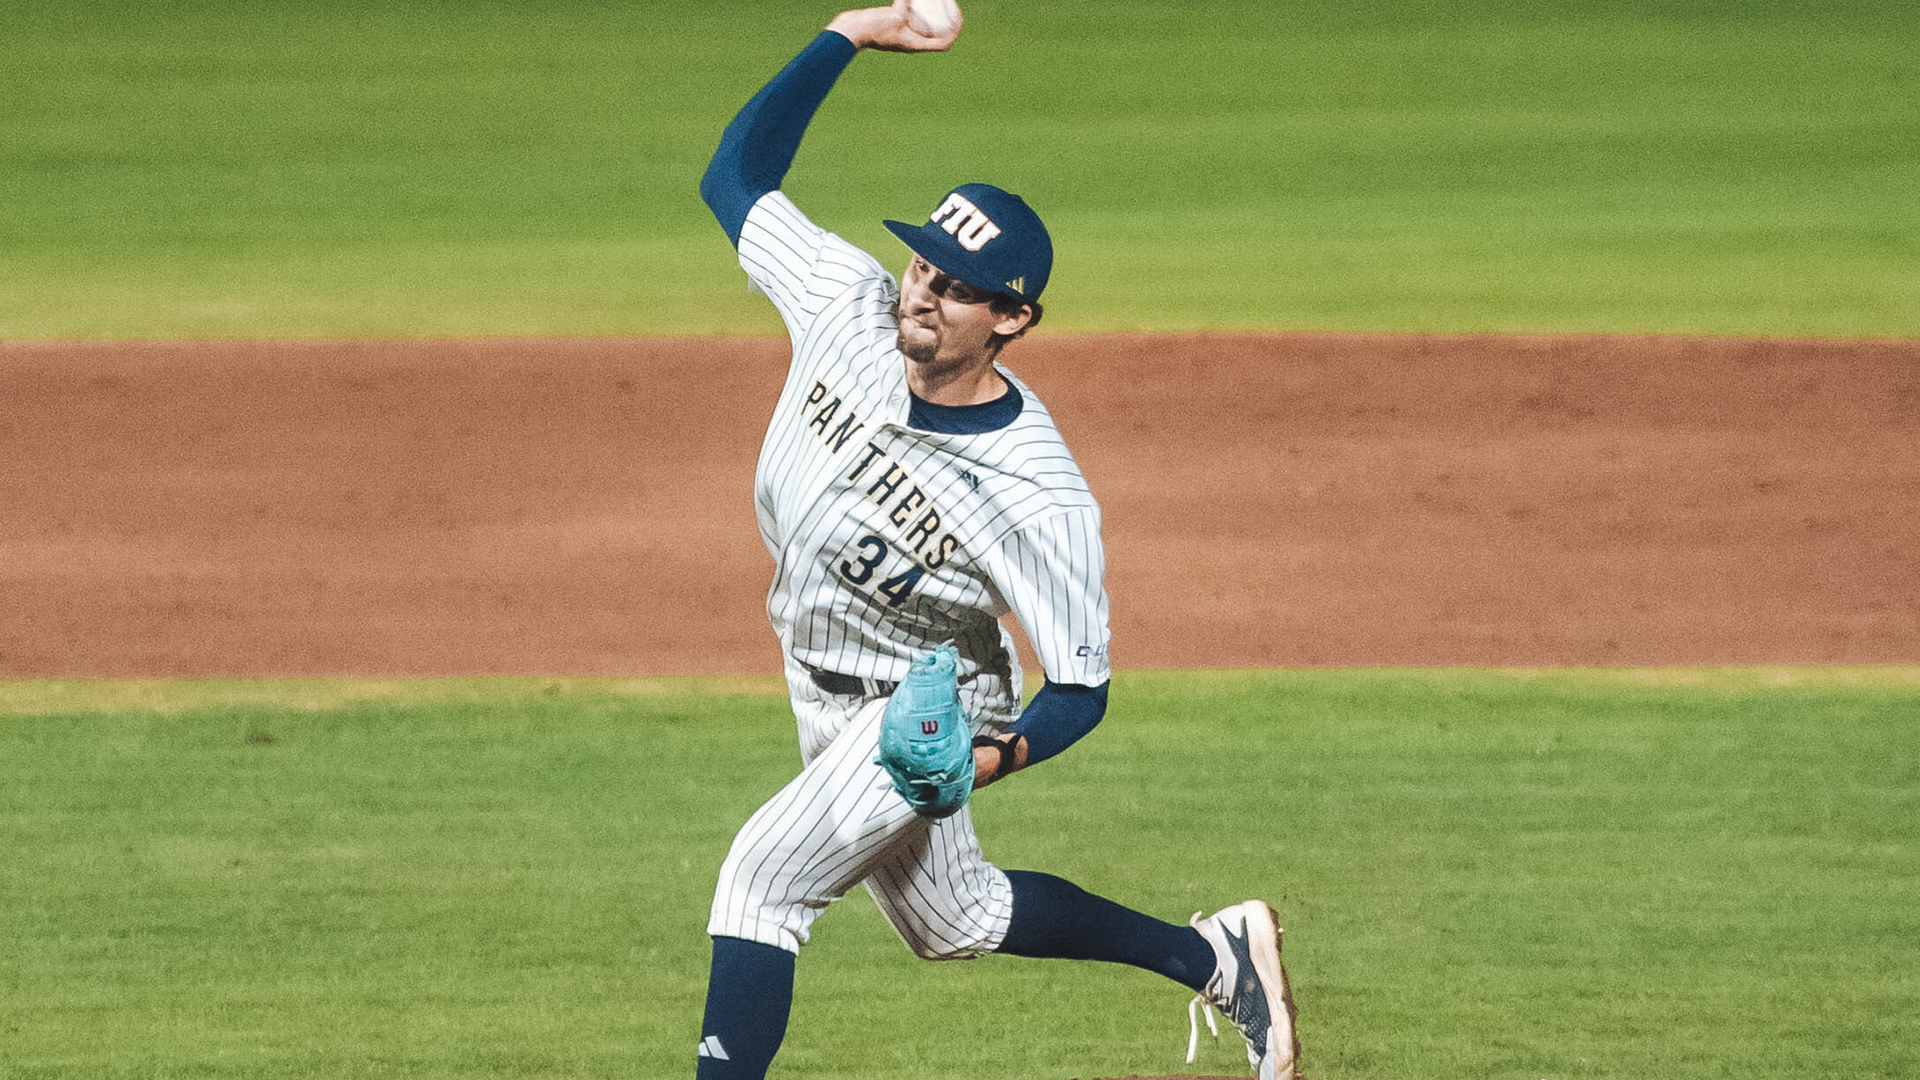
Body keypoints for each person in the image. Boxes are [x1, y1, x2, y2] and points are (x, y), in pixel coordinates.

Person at [692, 4, 1301, 1078]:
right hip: (814, 675)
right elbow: (734, 178)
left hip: (923, 710)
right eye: (925, 265)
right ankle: (1216, 956)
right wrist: (846, 35)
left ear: (1012, 319)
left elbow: (1080, 684)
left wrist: (987, 756)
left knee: (760, 882)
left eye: (958, 288)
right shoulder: (848, 304)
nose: (923, 294)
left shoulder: (1036, 493)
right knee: (954, 917)